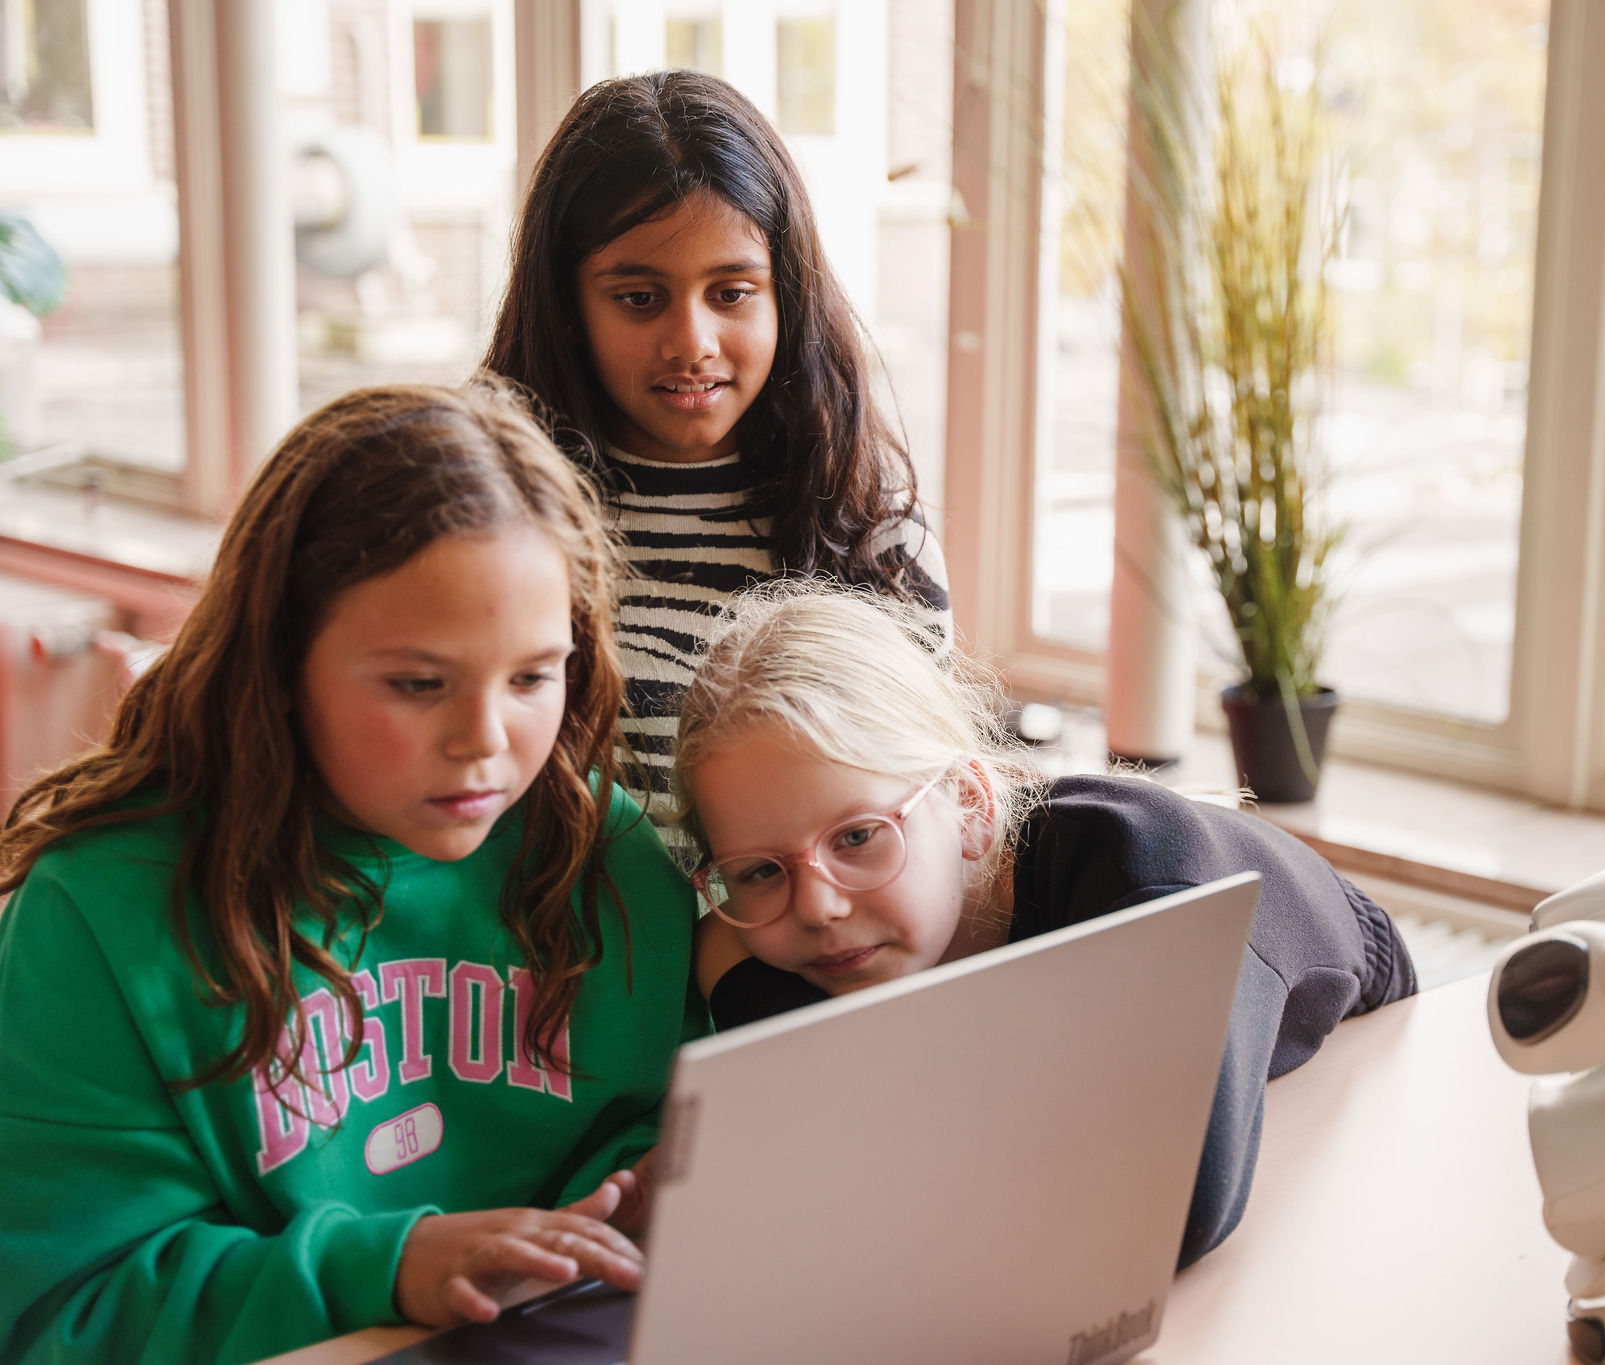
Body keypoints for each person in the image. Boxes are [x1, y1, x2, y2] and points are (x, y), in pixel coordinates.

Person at [0, 385, 707, 1365]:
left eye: (533, 676)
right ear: (280, 664)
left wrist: (627, 1190)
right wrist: (390, 1264)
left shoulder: (607, 853)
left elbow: (658, 1128)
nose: (485, 741)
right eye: (420, 684)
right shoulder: (100, 911)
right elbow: (61, 1309)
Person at [674, 584, 1418, 1268]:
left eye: (859, 837)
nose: (818, 907)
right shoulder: (776, 929)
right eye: (760, 869)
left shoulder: (1141, 880)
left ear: (968, 803)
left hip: (1373, 1068)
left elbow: (1166, 1216)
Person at [481, 69, 950, 830]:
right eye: (639, 297)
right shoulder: (485, 506)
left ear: (786, 294)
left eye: (731, 292)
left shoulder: (873, 529)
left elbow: (917, 821)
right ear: (566, 305)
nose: (692, 344)